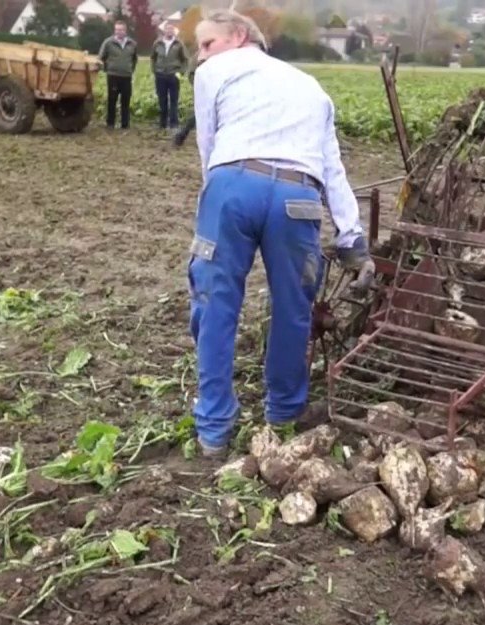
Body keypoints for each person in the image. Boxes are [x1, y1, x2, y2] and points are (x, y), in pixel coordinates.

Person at [188, 9, 376, 458]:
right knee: (294, 308)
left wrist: (217, 193)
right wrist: (352, 240)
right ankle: (284, 411)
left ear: (238, 36)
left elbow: (208, 146)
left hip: (232, 186)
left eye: (206, 43)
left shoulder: (215, 71)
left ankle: (214, 427)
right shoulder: (311, 88)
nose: (200, 55)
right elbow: (332, 167)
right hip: (299, 196)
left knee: (215, 303)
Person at [98, 21, 138, 129]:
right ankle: (110, 123)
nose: (118, 32)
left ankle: (125, 124)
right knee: (112, 99)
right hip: (113, 75)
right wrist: (106, 69)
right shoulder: (108, 42)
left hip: (126, 76)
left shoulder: (132, 44)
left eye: (121, 30)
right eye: (117, 30)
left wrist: (131, 70)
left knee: (126, 100)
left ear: (125, 31)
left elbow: (134, 59)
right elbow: (101, 58)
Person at [151, 24, 190, 130]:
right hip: (160, 75)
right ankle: (162, 124)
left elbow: (185, 59)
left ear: (174, 32)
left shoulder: (179, 44)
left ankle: (174, 124)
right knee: (162, 100)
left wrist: (181, 72)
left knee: (174, 100)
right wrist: (154, 70)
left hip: (173, 75)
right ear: (164, 31)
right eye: (167, 29)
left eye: (171, 30)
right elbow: (153, 58)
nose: (169, 31)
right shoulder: (157, 43)